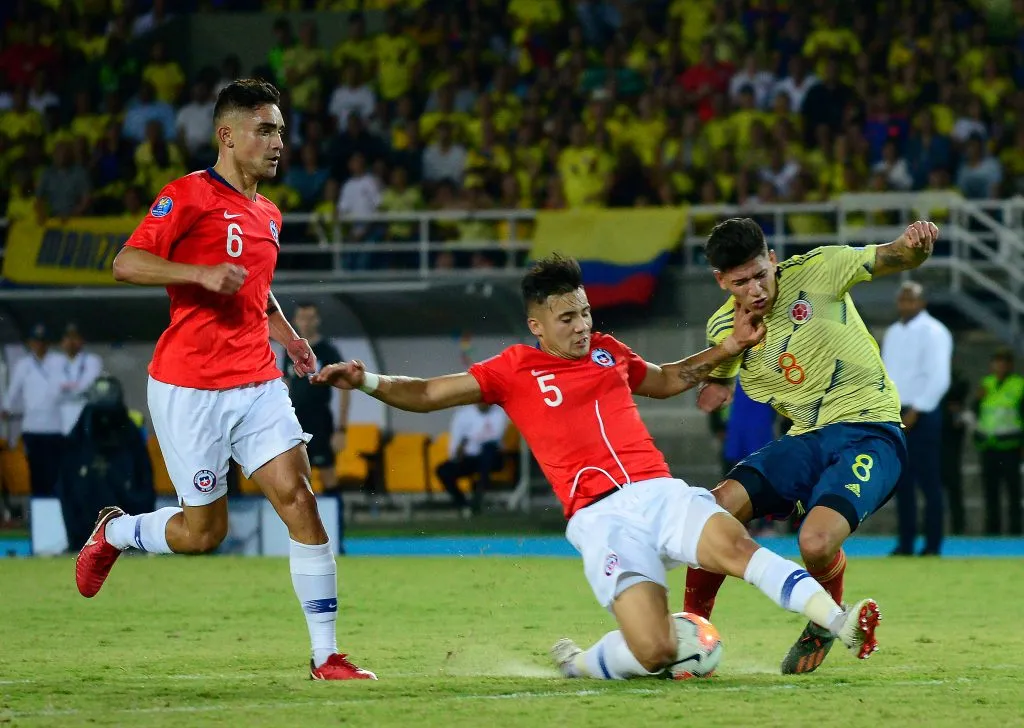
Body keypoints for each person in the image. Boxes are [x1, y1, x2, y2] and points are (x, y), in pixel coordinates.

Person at [312, 255, 882, 681]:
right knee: (656, 652)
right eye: (567, 318)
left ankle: (840, 622)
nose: (582, 326)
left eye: (585, 312)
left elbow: (665, 378)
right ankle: (582, 662)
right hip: (601, 519)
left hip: (660, 492)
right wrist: (365, 382)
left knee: (740, 550)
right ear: (538, 325)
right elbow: (430, 392)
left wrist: (729, 346)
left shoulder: (609, 350)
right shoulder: (514, 369)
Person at [74, 79, 375, 681]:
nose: (277, 142)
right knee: (204, 531)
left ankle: (326, 656)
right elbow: (125, 263)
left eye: (281, 131)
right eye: (265, 129)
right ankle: (119, 531)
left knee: (300, 502)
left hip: (257, 383)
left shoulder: (270, 214)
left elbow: (257, 295)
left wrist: (287, 335)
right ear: (227, 135)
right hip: (187, 387)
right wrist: (199, 274)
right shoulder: (186, 196)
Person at [684, 218, 939, 675]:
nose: (756, 289)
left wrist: (913, 247)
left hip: (871, 429)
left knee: (815, 543)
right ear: (721, 281)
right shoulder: (724, 324)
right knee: (713, 509)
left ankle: (825, 618)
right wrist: (715, 384)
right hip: (805, 437)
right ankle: (690, 627)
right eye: (741, 282)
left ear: (774, 260)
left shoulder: (821, 269)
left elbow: (893, 255)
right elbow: (716, 383)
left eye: (761, 274)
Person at [881, 281, 953, 556]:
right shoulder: (893, 332)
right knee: (903, 482)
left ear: (922, 303)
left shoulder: (935, 332)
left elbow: (939, 377)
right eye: (902, 300)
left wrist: (917, 409)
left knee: (929, 481)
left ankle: (933, 544)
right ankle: (906, 542)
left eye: (911, 300)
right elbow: (886, 375)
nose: (906, 305)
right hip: (896, 413)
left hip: (924, 413)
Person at [285, 302, 350, 550]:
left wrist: (342, 429)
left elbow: (345, 390)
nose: (306, 322)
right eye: (302, 317)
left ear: (317, 321)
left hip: (321, 421)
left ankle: (338, 540)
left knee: (328, 476)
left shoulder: (328, 351)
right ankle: (306, 541)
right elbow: (286, 384)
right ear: (296, 320)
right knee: (296, 481)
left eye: (310, 317)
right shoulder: (290, 351)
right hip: (295, 422)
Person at [2, 324, 66, 497]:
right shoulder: (24, 364)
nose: (39, 345)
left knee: (54, 472)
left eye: (43, 341)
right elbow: (13, 389)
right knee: (36, 472)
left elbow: (66, 386)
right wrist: (6, 407)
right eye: (36, 341)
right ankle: (38, 510)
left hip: (54, 427)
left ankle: (54, 509)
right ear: (30, 343)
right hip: (32, 427)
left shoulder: (59, 361)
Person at [972, 348, 1023, 535]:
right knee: (990, 491)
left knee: (1013, 491)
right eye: (996, 362)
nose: (999, 366)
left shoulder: (1019, 385)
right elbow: (979, 410)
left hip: (1010, 446)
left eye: (1003, 362)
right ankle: (992, 530)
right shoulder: (987, 383)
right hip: (988, 446)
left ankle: (1015, 531)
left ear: (1009, 365)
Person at [436, 402, 508, 516]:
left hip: (492, 457)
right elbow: (455, 443)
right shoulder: (463, 414)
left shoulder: (499, 412)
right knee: (443, 470)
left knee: (488, 450)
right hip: (470, 458)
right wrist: (457, 453)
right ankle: (464, 505)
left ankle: (478, 498)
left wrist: (468, 439)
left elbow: (495, 437)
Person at [57, 323, 104, 436]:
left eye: (75, 337)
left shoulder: (92, 360)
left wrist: (66, 388)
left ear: (82, 340)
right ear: (62, 342)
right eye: (68, 338)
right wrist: (75, 386)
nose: (71, 342)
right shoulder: (55, 362)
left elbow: (88, 385)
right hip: (61, 414)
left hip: (84, 410)